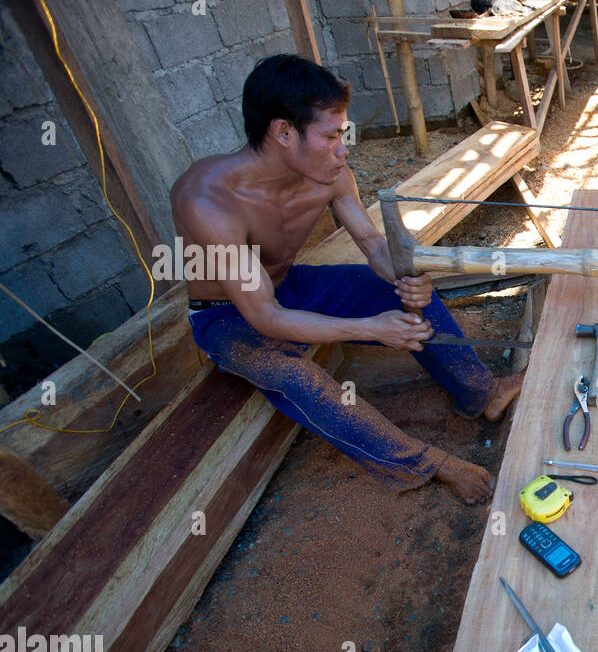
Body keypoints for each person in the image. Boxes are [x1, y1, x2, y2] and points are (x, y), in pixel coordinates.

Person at [172, 54, 520, 504]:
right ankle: (424, 463)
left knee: (396, 287)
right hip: (228, 318)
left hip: (287, 287)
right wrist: (368, 329)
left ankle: (480, 392)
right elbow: (263, 315)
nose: (344, 148)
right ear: (283, 132)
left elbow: (375, 247)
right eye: (332, 135)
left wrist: (409, 276)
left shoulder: (329, 173)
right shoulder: (208, 200)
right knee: (298, 378)